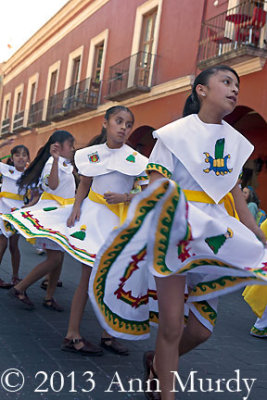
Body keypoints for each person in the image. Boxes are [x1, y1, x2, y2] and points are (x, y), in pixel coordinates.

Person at [88, 65, 267, 400]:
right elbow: (156, 187)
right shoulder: (173, 135)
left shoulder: (235, 143)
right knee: (171, 325)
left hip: (213, 236)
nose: (234, 89)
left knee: (200, 331)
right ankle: (165, 393)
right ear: (201, 89)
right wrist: (175, 215)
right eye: (226, 82)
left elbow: (236, 200)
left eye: (237, 85)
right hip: (175, 232)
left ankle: (156, 361)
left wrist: (259, 234)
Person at [2, 106, 149, 356]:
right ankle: (72, 334)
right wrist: (76, 208)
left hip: (119, 224)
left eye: (128, 123)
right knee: (87, 277)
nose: (124, 127)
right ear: (105, 123)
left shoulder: (136, 159)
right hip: (93, 220)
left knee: (113, 279)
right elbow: (86, 184)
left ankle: (108, 334)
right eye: (119, 121)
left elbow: (143, 189)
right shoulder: (92, 155)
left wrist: (125, 196)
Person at [6, 130, 75, 311]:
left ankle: (49, 297)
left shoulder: (66, 164)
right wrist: (54, 160)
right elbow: (51, 185)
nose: (73, 149)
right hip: (53, 215)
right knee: (53, 259)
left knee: (59, 258)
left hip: (63, 216)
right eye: (70, 145)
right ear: (59, 147)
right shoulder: (51, 163)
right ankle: (20, 288)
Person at [0, 143, 30, 288]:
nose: (20, 157)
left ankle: (15, 276)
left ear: (28, 158)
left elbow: (35, 194)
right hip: (2, 211)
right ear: (11, 158)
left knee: (14, 245)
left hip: (17, 213)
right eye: (17, 154)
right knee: (2, 244)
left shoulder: (30, 175)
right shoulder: (6, 169)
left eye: (24, 155)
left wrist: (28, 206)